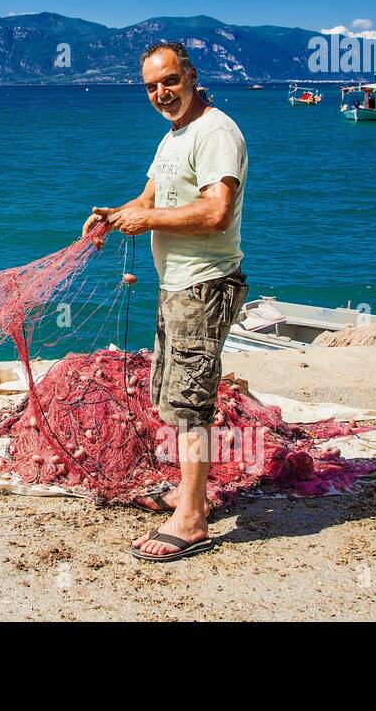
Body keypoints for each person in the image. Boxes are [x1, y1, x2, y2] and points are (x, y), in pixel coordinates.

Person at [82, 42, 248, 562]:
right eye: (152, 86)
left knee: (190, 403)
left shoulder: (216, 131)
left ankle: (193, 518)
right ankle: (186, 494)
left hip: (203, 286)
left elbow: (217, 210)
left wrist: (146, 221)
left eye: (170, 81)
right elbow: (150, 200)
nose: (161, 93)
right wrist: (114, 215)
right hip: (176, 285)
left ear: (192, 76)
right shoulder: (174, 136)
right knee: (173, 395)